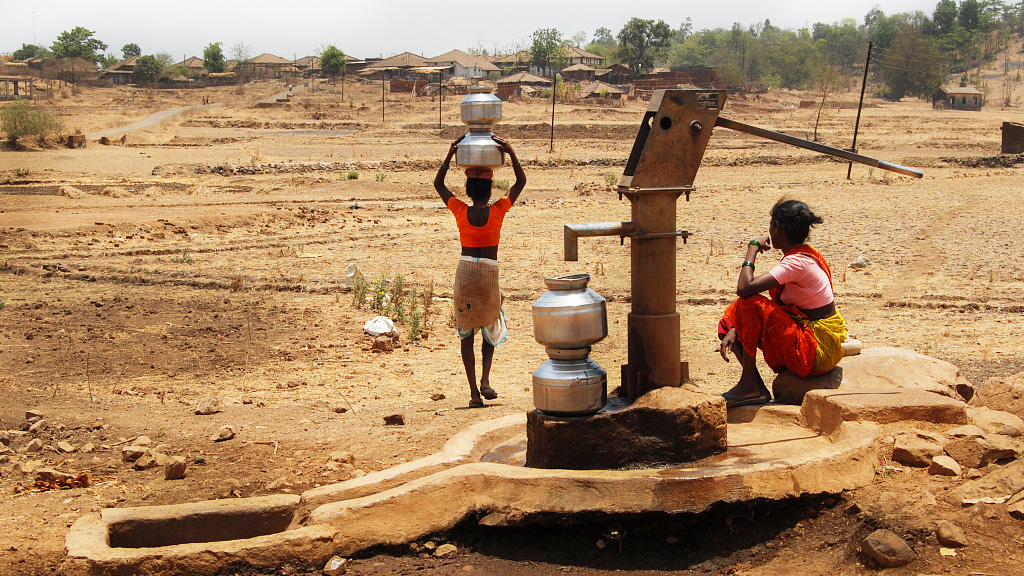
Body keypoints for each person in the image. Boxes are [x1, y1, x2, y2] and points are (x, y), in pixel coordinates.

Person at [717, 199, 847, 408]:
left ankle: (749, 387)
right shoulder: (804, 255)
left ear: (777, 227)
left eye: (771, 224)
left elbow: (745, 288)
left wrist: (752, 249)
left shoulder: (797, 262)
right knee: (729, 322)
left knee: (748, 303)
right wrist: (736, 328)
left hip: (816, 349)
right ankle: (755, 387)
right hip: (811, 335)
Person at [434, 135, 526, 408]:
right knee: (489, 322)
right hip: (488, 273)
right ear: (489, 190)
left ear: (469, 191)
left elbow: (438, 184)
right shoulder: (498, 210)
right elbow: (520, 182)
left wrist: (450, 154)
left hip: (464, 273)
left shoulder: (460, 210)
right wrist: (510, 151)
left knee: (466, 332)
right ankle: (486, 379)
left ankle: (474, 393)